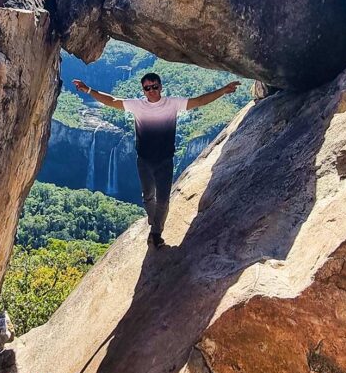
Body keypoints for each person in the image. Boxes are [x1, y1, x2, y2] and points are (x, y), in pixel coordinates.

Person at [73, 73, 241, 248]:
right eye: (147, 88)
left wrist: (222, 91)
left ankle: (156, 232)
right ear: (143, 91)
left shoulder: (172, 104)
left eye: (154, 86)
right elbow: (112, 101)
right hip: (144, 160)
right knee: (148, 197)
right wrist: (88, 89)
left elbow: (199, 101)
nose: (151, 90)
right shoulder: (138, 106)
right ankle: (155, 222)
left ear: (161, 87)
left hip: (164, 161)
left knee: (163, 200)